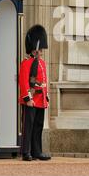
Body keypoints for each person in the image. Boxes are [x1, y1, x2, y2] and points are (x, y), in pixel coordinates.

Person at [19, 24, 51, 161]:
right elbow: (24, 82)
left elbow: (43, 81)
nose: (42, 51)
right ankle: (26, 151)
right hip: (31, 99)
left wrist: (46, 96)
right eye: (40, 49)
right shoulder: (26, 63)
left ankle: (37, 151)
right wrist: (27, 98)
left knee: (38, 126)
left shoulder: (42, 63)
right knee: (28, 126)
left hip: (40, 99)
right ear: (34, 49)